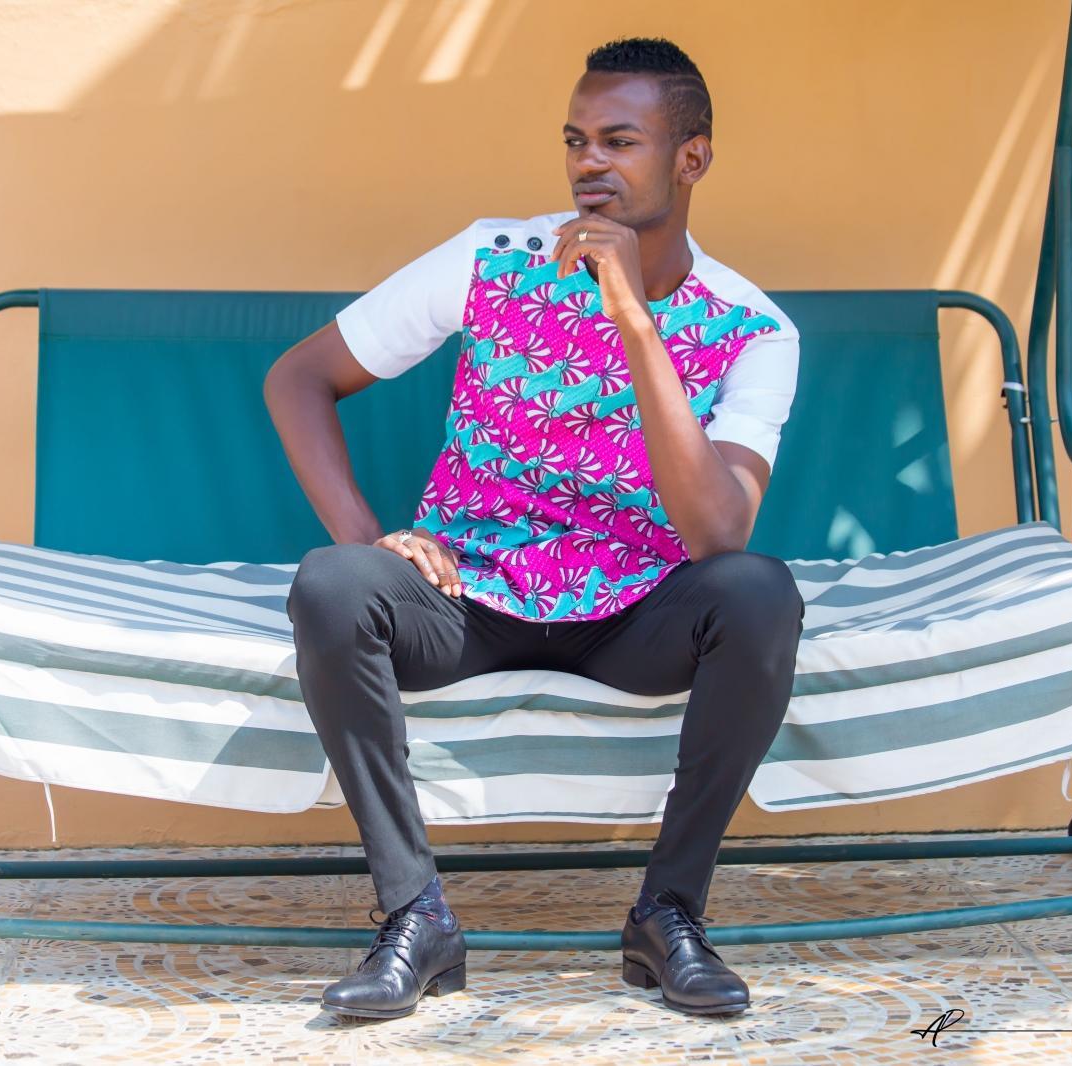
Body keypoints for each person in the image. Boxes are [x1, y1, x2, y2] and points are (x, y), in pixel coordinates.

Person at [264, 35, 803, 1021]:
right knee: (332, 583)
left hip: (636, 614)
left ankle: (668, 914)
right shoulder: (495, 258)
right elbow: (299, 377)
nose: (589, 163)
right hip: (465, 597)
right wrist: (369, 537)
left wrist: (632, 318)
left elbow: (719, 533)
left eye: (620, 141)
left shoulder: (753, 330)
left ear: (691, 157)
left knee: (760, 592)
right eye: (575, 140)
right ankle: (416, 917)